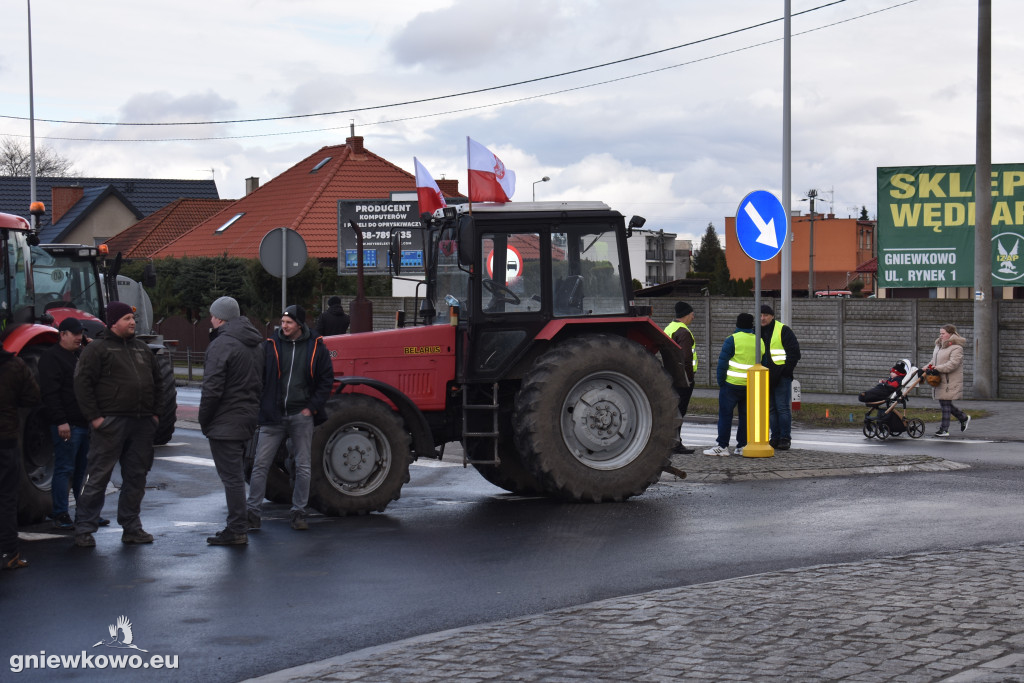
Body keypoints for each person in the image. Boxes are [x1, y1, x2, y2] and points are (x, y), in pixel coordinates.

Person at [72, 301, 164, 548]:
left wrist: (155, 414)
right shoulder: (97, 350)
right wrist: (95, 418)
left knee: (136, 477)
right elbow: (82, 384)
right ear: (113, 322)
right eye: (126, 319)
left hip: (142, 423)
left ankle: (131, 527)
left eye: (132, 319)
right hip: (110, 423)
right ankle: (84, 529)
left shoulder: (142, 350)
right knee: (98, 476)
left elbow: (159, 383)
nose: (132, 322)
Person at [247, 305, 334, 531]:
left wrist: (311, 408)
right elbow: (258, 376)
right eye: (283, 322)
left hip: (301, 415)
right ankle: (252, 514)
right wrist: (262, 405)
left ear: (299, 325)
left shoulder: (316, 347)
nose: (283, 326)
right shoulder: (270, 346)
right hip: (273, 416)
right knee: (260, 464)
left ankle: (298, 512)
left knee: (303, 465)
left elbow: (326, 380)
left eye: (288, 322)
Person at [200, 296, 265, 546]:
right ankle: (237, 525)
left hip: (224, 421)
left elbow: (212, 389)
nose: (210, 319)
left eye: (212, 315)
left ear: (219, 318)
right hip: (246, 418)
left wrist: (204, 419)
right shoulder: (254, 344)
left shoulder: (221, 344)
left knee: (232, 478)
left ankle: (237, 528)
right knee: (236, 475)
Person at [38, 317, 107, 529]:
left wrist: (88, 348)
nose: (79, 337)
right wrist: (61, 421)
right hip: (68, 424)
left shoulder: (79, 355)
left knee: (83, 471)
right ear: (63, 334)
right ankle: (60, 512)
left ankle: (85, 512)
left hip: (83, 422)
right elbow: (51, 394)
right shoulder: (51, 359)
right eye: (75, 334)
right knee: (65, 468)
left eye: (81, 334)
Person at [0, 347, 40, 570]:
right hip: (5, 440)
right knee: (6, 498)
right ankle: (9, 553)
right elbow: (32, 398)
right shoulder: (15, 365)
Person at [704, 313, 765, 457]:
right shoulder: (759, 341)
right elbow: (764, 363)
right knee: (745, 417)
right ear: (752, 325)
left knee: (725, 416)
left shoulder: (732, 340)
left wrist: (721, 382)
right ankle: (742, 446)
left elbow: (722, 363)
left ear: (737, 324)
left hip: (731, 385)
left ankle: (722, 446)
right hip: (751, 385)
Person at [759, 304, 801, 450]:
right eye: (760, 315)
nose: (762, 318)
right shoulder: (756, 331)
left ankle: (785, 438)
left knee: (782, 408)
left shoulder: (783, 330)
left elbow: (794, 352)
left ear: (772, 316)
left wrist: (786, 371)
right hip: (765, 376)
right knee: (771, 409)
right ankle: (775, 437)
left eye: (765, 315)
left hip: (781, 376)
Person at [663, 301, 697, 454]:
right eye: (691, 314)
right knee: (680, 411)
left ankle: (670, 441)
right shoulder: (683, 332)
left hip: (671, 375)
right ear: (686, 315)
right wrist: (688, 378)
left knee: (673, 410)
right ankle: (676, 443)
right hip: (683, 379)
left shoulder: (669, 328)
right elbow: (686, 358)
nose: (693, 316)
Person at [927, 323, 969, 437]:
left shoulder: (956, 348)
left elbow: (953, 364)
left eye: (943, 334)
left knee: (945, 403)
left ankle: (944, 429)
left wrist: (937, 368)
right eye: (940, 333)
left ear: (950, 334)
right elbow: (933, 361)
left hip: (950, 380)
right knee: (944, 402)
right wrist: (925, 368)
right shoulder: (939, 345)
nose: (940, 336)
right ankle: (963, 417)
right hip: (940, 379)